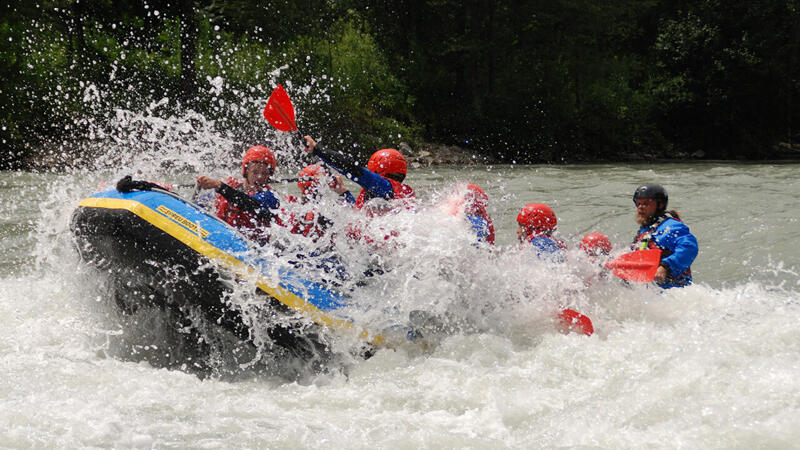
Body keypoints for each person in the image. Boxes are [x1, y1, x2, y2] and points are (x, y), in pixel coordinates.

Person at [302, 136, 415, 216]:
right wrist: (343, 192)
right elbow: (357, 215)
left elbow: (352, 169)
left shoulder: (384, 187)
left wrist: (317, 149)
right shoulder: (399, 193)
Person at [196, 145, 282, 241]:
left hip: (252, 249)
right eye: (255, 172)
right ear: (246, 171)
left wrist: (219, 186)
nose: (260, 177)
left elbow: (248, 203)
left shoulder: (271, 197)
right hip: (220, 239)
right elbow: (200, 204)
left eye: (265, 173)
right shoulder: (231, 185)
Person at [631, 183, 698, 288]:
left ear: (660, 205)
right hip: (649, 291)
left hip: (674, 291)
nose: (640, 208)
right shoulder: (646, 230)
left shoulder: (671, 227)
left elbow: (690, 247)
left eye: (646, 203)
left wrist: (665, 267)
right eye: (638, 204)